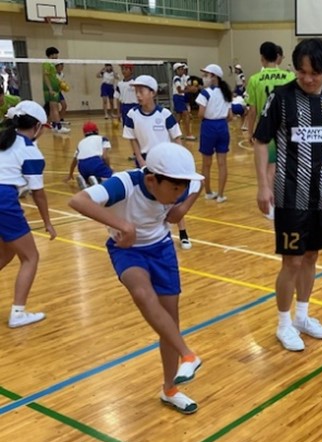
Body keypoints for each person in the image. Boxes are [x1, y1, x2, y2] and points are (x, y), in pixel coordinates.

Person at [68, 142, 204, 414]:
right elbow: (78, 200)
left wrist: (184, 205)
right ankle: (188, 355)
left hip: (162, 249)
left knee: (169, 322)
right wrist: (123, 225)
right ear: (152, 180)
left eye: (182, 187)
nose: (180, 192)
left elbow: (193, 190)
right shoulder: (124, 184)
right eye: (175, 188)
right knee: (142, 293)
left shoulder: (184, 185)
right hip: (127, 250)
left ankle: (170, 389)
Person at [254, 38, 322, 351]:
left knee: (312, 256)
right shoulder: (281, 97)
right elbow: (260, 141)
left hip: (320, 194)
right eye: (302, 71)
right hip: (289, 194)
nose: (308, 78)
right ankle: (283, 324)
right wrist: (263, 185)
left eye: (315, 72)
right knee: (292, 261)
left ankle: (302, 317)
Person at [0, 100, 56, 327]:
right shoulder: (30, 151)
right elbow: (38, 193)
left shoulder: (3, 139)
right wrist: (48, 222)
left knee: (6, 253)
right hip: (4, 201)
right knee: (30, 257)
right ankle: (18, 313)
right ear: (38, 127)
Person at [123, 75, 193, 250]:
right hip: (145, 161)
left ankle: (183, 233)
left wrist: (179, 159)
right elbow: (132, 139)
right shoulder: (132, 115)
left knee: (174, 199)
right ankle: (155, 234)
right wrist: (140, 159)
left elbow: (176, 137)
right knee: (148, 200)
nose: (138, 95)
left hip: (166, 161)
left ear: (152, 93)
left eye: (141, 91)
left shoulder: (164, 114)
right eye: (136, 91)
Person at [245, 41, 296, 219]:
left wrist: (250, 131)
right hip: (287, 129)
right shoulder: (289, 77)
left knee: (270, 168)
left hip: (266, 128)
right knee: (286, 167)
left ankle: (271, 205)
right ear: (278, 57)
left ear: (262, 58)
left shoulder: (254, 79)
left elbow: (252, 110)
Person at [196, 64, 231, 203]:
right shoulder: (226, 93)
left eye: (206, 75)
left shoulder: (205, 93)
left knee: (206, 163)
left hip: (209, 127)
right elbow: (230, 116)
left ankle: (208, 192)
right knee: (222, 163)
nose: (204, 78)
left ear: (214, 76)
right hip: (222, 127)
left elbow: (200, 114)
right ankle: (221, 195)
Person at [64, 121, 112, 189]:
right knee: (112, 178)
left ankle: (85, 180)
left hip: (82, 166)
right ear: (97, 130)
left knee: (90, 176)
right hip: (95, 163)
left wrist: (70, 174)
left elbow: (74, 160)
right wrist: (109, 168)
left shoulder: (80, 142)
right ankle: (99, 180)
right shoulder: (103, 139)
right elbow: (105, 157)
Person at [42, 47, 68, 133]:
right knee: (55, 108)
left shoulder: (52, 64)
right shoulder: (47, 63)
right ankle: (59, 127)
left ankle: (54, 126)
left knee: (53, 108)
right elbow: (45, 76)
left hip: (55, 89)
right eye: (56, 54)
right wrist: (50, 89)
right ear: (51, 54)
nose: (57, 56)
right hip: (51, 89)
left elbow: (53, 77)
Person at [172, 63, 195, 142]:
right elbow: (179, 90)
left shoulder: (181, 78)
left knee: (179, 116)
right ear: (177, 70)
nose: (183, 71)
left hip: (180, 97)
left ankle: (176, 134)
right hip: (178, 97)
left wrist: (191, 88)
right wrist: (190, 90)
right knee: (186, 114)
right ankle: (188, 134)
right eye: (181, 69)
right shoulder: (177, 78)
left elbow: (185, 87)